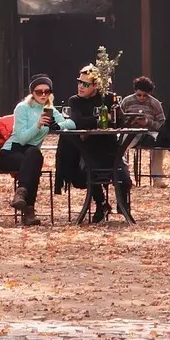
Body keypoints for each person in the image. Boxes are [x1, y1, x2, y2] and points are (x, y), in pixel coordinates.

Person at [0, 75, 72, 225]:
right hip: (11, 152)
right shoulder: (22, 108)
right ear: (32, 93)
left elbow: (71, 123)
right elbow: (23, 138)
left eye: (47, 91)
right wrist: (38, 125)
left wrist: (59, 126)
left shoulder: (49, 110)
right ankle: (29, 210)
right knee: (34, 158)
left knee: (34, 155)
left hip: (30, 155)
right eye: (39, 92)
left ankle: (21, 193)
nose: (43, 95)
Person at [66, 65, 132, 223]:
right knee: (89, 173)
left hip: (110, 149)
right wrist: (102, 118)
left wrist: (110, 117)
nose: (80, 86)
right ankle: (101, 203)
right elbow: (77, 122)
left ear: (96, 85)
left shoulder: (108, 98)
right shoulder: (75, 101)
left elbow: (120, 121)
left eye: (85, 84)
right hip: (87, 149)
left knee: (124, 179)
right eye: (79, 82)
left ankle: (122, 205)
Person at [117, 76, 168, 182]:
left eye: (145, 95)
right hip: (131, 131)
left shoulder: (154, 103)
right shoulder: (127, 101)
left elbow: (162, 125)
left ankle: (158, 179)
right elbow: (119, 119)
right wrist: (130, 122)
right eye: (139, 95)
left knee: (160, 143)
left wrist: (147, 122)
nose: (141, 98)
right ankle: (124, 177)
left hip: (149, 132)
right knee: (119, 145)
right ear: (135, 91)